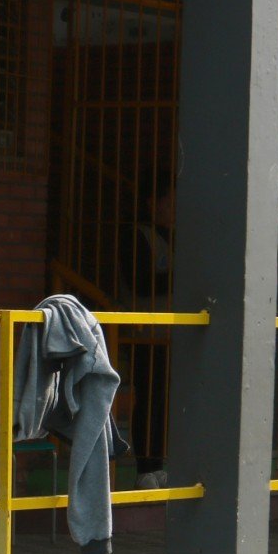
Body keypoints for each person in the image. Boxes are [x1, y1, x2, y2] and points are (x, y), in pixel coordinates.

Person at [117, 171, 174, 491]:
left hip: (168, 330)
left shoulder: (172, 236)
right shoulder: (137, 235)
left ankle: (159, 463)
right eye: (170, 202)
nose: (175, 209)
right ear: (154, 202)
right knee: (149, 396)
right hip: (143, 329)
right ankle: (145, 466)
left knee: (163, 397)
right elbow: (139, 281)